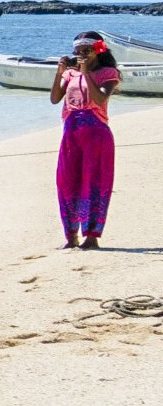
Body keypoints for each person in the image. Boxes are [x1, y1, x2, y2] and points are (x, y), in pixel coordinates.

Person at [53, 31, 122, 250]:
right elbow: (55, 99)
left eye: (86, 50)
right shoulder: (70, 74)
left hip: (97, 134)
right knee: (67, 183)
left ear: (98, 50)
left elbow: (100, 98)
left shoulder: (108, 73)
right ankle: (71, 235)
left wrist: (85, 73)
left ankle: (91, 236)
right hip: (71, 134)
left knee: (95, 183)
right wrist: (60, 73)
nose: (81, 54)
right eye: (78, 51)